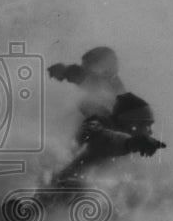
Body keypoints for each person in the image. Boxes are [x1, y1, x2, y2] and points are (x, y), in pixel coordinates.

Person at [48, 47, 165, 189]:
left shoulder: (115, 93)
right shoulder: (110, 99)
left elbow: (88, 79)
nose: (150, 132)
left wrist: (67, 71)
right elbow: (108, 139)